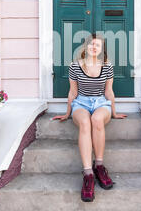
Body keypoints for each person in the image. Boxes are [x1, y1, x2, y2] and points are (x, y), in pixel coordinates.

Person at [52, 33, 127, 202]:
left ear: (101, 49)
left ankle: (99, 165)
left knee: (97, 120)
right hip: (81, 103)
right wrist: (67, 112)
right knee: (85, 122)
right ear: (85, 47)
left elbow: (109, 91)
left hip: (101, 103)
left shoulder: (107, 66)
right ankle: (88, 174)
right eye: (91, 44)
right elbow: (73, 92)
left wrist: (114, 112)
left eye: (98, 45)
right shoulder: (75, 66)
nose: (94, 47)